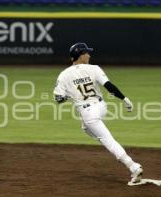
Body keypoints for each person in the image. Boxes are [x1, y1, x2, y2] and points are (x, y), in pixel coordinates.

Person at [53, 42, 143, 185]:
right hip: (101, 107)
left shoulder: (64, 75)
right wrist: (124, 99)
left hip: (88, 112)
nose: (89, 55)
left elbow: (58, 98)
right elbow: (109, 86)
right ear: (80, 56)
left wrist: (67, 96)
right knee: (86, 128)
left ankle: (133, 166)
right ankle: (100, 134)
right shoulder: (95, 69)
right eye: (86, 53)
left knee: (107, 139)